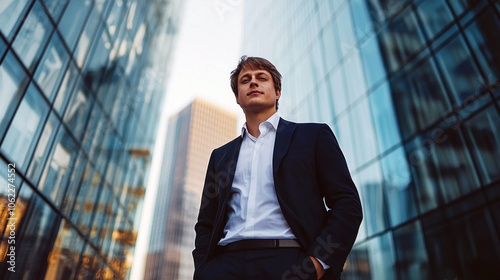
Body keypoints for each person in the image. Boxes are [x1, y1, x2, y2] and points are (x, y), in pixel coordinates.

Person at [193, 56, 362, 280]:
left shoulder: (313, 137)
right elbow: (206, 222)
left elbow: (347, 205)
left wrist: (317, 264)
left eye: (262, 78)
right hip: (226, 266)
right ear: (237, 97)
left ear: (277, 92)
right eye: (245, 80)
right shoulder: (220, 156)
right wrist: (205, 271)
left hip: (292, 263)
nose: (253, 82)